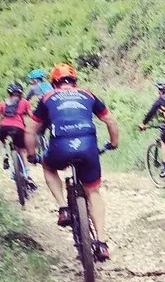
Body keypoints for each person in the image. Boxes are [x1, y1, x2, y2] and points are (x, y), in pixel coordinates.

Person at [25, 63, 119, 261]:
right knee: (93, 192)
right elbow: (110, 121)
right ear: (75, 81)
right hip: (88, 147)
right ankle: (102, 243)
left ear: (54, 83)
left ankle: (63, 208)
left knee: (48, 165)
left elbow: (30, 130)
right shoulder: (88, 95)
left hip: (60, 147)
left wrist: (32, 155)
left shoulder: (47, 97)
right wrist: (113, 143)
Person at [0, 82, 36, 189]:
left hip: (4, 128)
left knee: (2, 138)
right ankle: (27, 174)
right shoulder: (24, 102)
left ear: (9, 92)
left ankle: (4, 154)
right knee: (22, 151)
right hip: (18, 128)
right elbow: (32, 116)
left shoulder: (3, 102)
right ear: (20, 92)